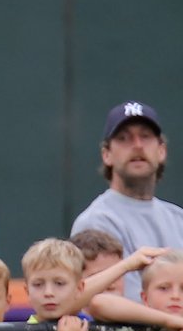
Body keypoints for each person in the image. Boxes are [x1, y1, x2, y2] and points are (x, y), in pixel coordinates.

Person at [71, 101, 183, 300]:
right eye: (124, 138)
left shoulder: (178, 218)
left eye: (146, 136)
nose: (137, 145)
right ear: (107, 155)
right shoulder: (96, 221)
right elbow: (109, 302)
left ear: (161, 151)